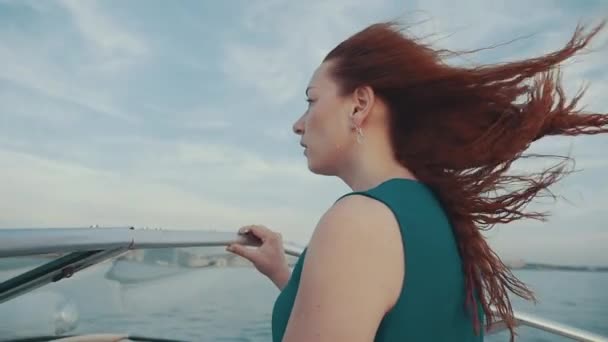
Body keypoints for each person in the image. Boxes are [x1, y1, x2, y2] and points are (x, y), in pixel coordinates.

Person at [226, 20, 608, 342]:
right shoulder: (436, 211)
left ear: (359, 105)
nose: (298, 123)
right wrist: (282, 273)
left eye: (311, 100)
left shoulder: (359, 221)